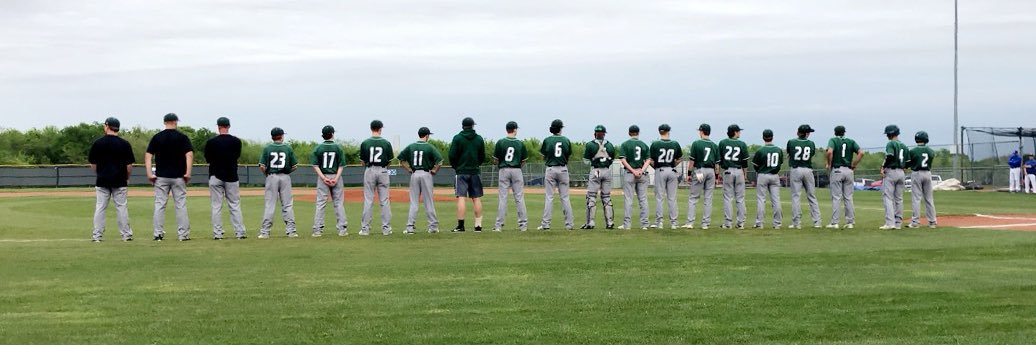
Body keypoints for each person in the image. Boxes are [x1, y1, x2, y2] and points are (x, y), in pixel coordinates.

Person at [146, 113, 193, 242]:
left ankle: (158, 234)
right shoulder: (182, 137)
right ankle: (183, 235)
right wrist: (188, 172)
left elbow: (148, 155)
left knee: (160, 205)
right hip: (178, 176)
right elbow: (189, 154)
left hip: (161, 177)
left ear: (164, 122)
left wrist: (150, 173)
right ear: (175, 122)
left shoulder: (157, 137)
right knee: (181, 205)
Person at [89, 117, 135, 242]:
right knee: (121, 207)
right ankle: (126, 235)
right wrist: (127, 177)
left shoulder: (98, 143)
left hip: (102, 180)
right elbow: (129, 166)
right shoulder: (124, 144)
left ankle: (97, 235)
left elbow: (93, 164)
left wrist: (99, 173)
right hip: (120, 180)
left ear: (107, 126)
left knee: (100, 207)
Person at [204, 117, 246, 240]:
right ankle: (240, 233)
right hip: (231, 175)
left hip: (215, 175)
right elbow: (237, 156)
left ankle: (218, 234)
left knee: (216, 206)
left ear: (218, 127)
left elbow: (208, 159)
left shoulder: (211, 142)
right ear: (229, 126)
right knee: (234, 205)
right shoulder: (236, 141)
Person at [399, 127, 443, 234]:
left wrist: (409, 169)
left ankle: (410, 227)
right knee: (428, 201)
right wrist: (434, 171)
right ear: (427, 135)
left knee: (414, 202)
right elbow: (440, 161)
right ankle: (433, 227)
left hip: (414, 174)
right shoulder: (430, 147)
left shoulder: (411, 146)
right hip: (426, 173)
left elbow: (401, 160)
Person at [258, 127, 298, 239]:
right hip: (285, 177)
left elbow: (262, 166)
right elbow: (294, 166)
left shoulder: (267, 148)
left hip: (272, 176)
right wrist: (286, 172)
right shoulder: (287, 148)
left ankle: (265, 232)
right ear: (281, 136)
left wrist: (267, 175)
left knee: (270, 205)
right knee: (287, 205)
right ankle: (291, 232)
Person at [448, 117, 487, 233]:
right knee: (476, 198)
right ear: (472, 126)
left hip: (461, 171)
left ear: (462, 126)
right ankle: (478, 226)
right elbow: (482, 156)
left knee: (461, 197)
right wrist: (476, 165)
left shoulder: (457, 138)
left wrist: (457, 166)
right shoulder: (479, 139)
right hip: (474, 171)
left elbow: (452, 155)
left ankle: (461, 226)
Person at [311, 125, 347, 237]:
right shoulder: (338, 147)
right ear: (332, 134)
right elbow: (341, 165)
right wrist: (335, 178)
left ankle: (317, 230)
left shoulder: (317, 148)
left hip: (323, 177)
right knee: (338, 203)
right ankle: (342, 230)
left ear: (323, 135)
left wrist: (323, 178)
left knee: (321, 203)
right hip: (336, 175)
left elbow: (315, 165)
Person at [825, 125, 864, 229]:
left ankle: (835, 223)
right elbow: (861, 153)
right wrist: (854, 164)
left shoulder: (833, 140)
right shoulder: (851, 141)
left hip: (837, 169)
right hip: (848, 170)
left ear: (835, 132)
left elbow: (829, 152)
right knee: (848, 197)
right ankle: (850, 222)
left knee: (836, 197)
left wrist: (829, 163)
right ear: (844, 132)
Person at [538, 119, 574, 231]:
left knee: (549, 197)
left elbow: (543, 155)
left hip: (551, 169)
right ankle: (569, 224)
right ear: (560, 128)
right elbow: (568, 155)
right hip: (563, 169)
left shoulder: (547, 140)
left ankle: (546, 224)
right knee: (565, 197)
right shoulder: (566, 140)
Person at [359, 120, 394, 236]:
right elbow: (389, 162)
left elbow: (362, 162)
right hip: (383, 170)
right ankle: (386, 229)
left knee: (368, 200)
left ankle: (365, 230)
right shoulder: (386, 143)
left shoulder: (365, 143)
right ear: (380, 129)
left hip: (370, 170)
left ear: (371, 128)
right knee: (384, 201)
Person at [493, 121, 529, 232]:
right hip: (517, 170)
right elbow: (524, 161)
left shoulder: (500, 142)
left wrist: (501, 166)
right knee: (519, 198)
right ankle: (523, 225)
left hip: (504, 169)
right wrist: (517, 167)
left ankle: (499, 226)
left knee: (503, 198)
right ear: (514, 129)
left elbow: (495, 160)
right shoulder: (520, 143)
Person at [683, 123, 719, 230]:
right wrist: (717, 177)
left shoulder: (696, 143)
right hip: (711, 171)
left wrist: (689, 174)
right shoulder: (714, 145)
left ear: (702, 132)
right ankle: (705, 224)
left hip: (700, 171)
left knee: (693, 197)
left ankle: (690, 222)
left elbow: (691, 162)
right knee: (708, 198)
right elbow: (717, 165)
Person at [581, 125, 617, 230]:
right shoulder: (610, 145)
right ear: (604, 134)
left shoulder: (590, 145)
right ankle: (610, 222)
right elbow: (612, 159)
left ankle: (590, 222)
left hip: (596, 170)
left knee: (591, 196)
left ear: (594, 133)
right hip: (607, 170)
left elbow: (586, 161)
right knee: (606, 197)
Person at [786, 124, 821, 229]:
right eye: (808, 132)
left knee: (796, 196)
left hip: (796, 169)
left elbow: (789, 153)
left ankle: (797, 223)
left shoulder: (791, 142)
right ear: (806, 133)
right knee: (811, 195)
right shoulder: (811, 143)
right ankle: (817, 222)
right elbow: (811, 154)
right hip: (807, 169)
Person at [617, 125, 651, 230]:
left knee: (628, 199)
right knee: (643, 199)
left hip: (629, 173)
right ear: (638, 133)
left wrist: (632, 170)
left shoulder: (625, 144)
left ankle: (627, 225)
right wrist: (641, 170)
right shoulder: (644, 144)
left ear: (629, 133)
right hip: (642, 174)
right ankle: (644, 224)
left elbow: (623, 159)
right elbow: (648, 160)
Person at [650, 124, 683, 229]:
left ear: (659, 131)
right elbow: (679, 159)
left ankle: (659, 222)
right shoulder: (675, 143)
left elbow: (651, 160)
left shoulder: (655, 144)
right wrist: (673, 165)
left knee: (659, 197)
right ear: (669, 131)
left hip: (660, 170)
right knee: (672, 198)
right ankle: (674, 223)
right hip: (672, 170)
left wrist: (655, 167)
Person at [718, 124, 749, 229]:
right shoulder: (742, 144)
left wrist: (718, 171)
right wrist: (745, 174)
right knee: (740, 198)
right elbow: (745, 162)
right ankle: (741, 223)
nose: (740, 132)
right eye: (738, 131)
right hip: (739, 171)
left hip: (728, 171)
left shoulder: (723, 142)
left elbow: (719, 159)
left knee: (728, 198)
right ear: (735, 132)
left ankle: (728, 223)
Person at [751, 129, 784, 229]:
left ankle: (759, 223)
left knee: (761, 199)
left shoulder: (761, 150)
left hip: (763, 175)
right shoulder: (778, 150)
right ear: (772, 137)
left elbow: (755, 165)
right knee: (776, 200)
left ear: (763, 137)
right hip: (774, 175)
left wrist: (760, 170)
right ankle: (777, 223)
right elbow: (780, 164)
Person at [879, 125, 909, 230]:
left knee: (888, 197)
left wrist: (883, 167)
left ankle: (889, 223)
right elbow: (908, 161)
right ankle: (898, 223)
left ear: (889, 134)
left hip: (891, 171)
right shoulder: (904, 146)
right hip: (901, 172)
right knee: (899, 199)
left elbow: (890, 156)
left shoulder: (890, 143)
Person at [906, 131, 938, 228]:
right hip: (928, 173)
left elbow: (907, 164)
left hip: (917, 173)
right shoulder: (931, 151)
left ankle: (915, 222)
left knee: (916, 198)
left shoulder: (912, 151)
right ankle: (932, 222)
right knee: (929, 198)